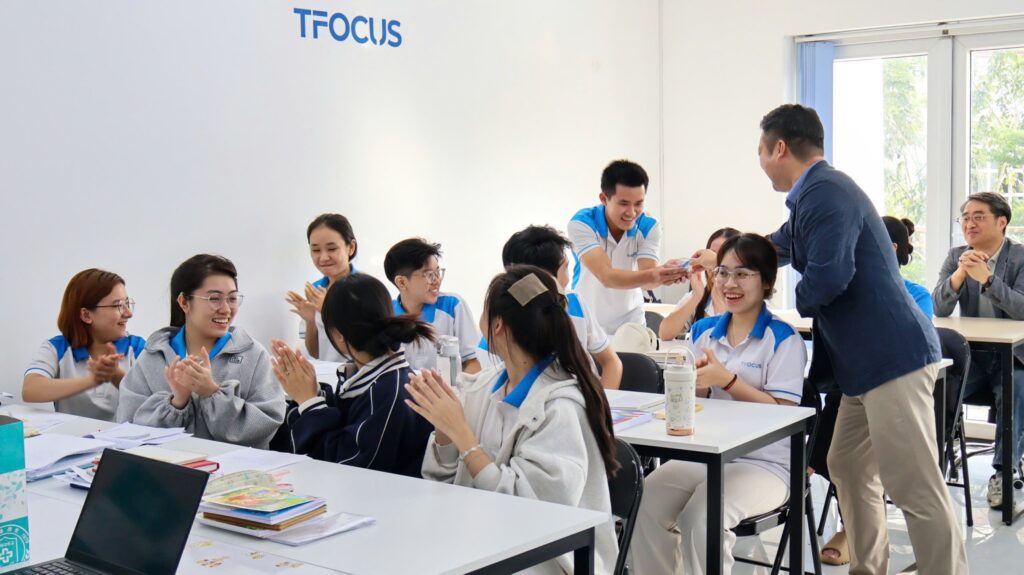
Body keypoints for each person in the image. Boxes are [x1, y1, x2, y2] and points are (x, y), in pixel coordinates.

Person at [693, 103, 966, 575]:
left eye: (760, 151)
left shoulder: (826, 193)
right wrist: (724, 258)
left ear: (779, 148)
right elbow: (774, 246)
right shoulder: (812, 196)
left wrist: (776, 294)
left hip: (891, 358)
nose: (760, 162)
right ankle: (869, 567)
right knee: (847, 463)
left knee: (913, 484)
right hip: (862, 366)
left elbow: (830, 276)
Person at [412, 266, 618, 574]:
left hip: (547, 558)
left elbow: (528, 511)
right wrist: (444, 431)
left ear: (497, 326)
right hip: (483, 537)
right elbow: (439, 481)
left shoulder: (561, 408)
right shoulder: (482, 387)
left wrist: (463, 437)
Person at [631, 234, 806, 575]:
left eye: (743, 274)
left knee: (703, 517)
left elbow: (785, 414)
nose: (729, 283)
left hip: (766, 464)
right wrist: (695, 388)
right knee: (646, 499)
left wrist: (727, 381)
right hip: (708, 454)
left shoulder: (784, 340)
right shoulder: (703, 332)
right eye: (723, 272)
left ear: (767, 281)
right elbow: (697, 400)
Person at [813, 214, 933, 566]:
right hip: (853, 382)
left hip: (894, 377)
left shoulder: (912, 294)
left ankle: (940, 566)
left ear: (887, 249)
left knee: (913, 482)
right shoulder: (848, 288)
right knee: (844, 461)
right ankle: (858, 542)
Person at [271, 273, 434, 477]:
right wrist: (312, 393)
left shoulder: (389, 391)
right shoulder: (370, 375)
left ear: (338, 334)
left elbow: (344, 467)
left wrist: (308, 402)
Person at [117, 254, 285, 448]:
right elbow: (128, 428)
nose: (226, 309)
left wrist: (211, 393)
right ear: (184, 302)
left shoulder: (253, 355)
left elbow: (266, 424)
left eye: (232, 298)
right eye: (214, 298)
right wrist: (177, 402)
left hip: (232, 467)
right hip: (167, 466)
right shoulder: (153, 357)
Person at [933, 191, 1024, 508]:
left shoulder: (1020, 257)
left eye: (978, 217)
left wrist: (988, 280)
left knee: (1016, 387)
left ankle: (1004, 473)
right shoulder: (956, 255)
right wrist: (960, 274)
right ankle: (932, 467)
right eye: (965, 218)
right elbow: (939, 308)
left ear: (1002, 222)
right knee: (937, 384)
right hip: (972, 357)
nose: (969, 224)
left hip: (1014, 358)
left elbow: (1022, 309)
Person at [568, 159, 688, 334]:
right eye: (623, 203)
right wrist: (655, 274)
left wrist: (667, 273)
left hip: (630, 321)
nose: (632, 213)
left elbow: (647, 279)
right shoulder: (582, 223)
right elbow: (606, 276)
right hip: (586, 320)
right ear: (604, 199)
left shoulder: (649, 226)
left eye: (638, 204)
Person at [499, 225, 623, 389]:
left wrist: (601, 402)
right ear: (546, 277)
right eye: (565, 267)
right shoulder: (502, 324)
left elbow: (611, 362)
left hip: (585, 399)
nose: (569, 276)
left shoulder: (574, 303)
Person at [23, 269, 145, 421]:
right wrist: (92, 380)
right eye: (118, 305)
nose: (128, 313)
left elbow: (152, 399)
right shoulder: (57, 347)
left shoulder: (138, 348)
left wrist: (115, 375)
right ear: (86, 315)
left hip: (127, 437)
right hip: (69, 435)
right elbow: (30, 389)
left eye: (127, 304)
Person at [383, 238, 481, 373]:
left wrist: (455, 386)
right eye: (429, 275)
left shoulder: (453, 306)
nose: (437, 280)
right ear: (402, 282)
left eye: (438, 272)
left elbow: (472, 362)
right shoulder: (386, 316)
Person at [287, 213, 359, 362]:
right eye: (316, 250)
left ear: (351, 247)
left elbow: (366, 346)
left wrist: (328, 311)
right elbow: (316, 353)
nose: (323, 257)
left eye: (332, 249)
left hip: (360, 373)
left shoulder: (367, 288)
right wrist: (310, 321)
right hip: (327, 373)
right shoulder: (315, 290)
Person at [659, 227, 740, 341]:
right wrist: (696, 297)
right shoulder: (699, 297)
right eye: (711, 254)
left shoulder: (748, 298)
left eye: (722, 255)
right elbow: (665, 334)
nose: (712, 263)